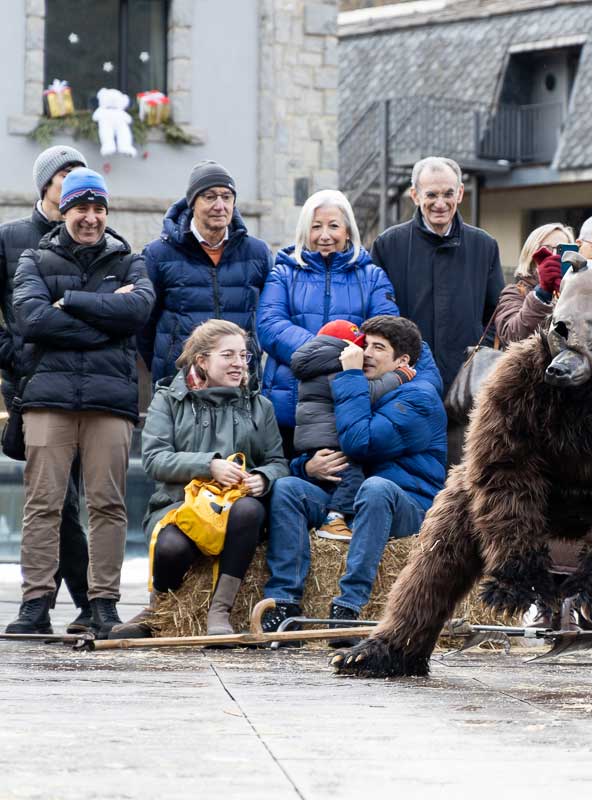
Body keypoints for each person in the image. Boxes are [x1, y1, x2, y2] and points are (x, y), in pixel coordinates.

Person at [5, 168, 154, 638]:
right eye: (80, 208)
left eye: (98, 209)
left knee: (108, 504)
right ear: (64, 210)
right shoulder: (33, 257)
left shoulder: (131, 262)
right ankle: (35, 604)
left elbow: (137, 312)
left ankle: (103, 604)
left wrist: (67, 301)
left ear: (106, 212)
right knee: (42, 503)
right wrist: (102, 311)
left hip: (109, 402)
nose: (90, 218)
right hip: (48, 400)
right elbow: (31, 320)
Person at [261, 315, 446, 640]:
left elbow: (361, 442)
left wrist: (348, 378)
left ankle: (347, 608)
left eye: (378, 347)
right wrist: (308, 467)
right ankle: (284, 603)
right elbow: (328, 439)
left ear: (402, 361)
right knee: (289, 488)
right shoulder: (366, 389)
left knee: (377, 488)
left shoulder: (419, 398)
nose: (366, 353)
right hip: (351, 502)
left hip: (407, 505)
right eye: (364, 345)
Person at [112, 321, 289, 638]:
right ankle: (160, 611)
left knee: (251, 510)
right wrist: (211, 466)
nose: (238, 363)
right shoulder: (168, 400)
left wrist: (264, 478)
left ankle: (220, 611)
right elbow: (155, 460)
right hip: (180, 506)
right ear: (202, 360)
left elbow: (277, 462)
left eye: (244, 355)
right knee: (169, 550)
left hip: (234, 511)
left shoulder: (260, 406)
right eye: (228, 355)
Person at [0, 144, 92, 633]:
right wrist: (13, 354)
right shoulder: (11, 237)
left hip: (83, 385)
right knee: (51, 498)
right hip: (31, 385)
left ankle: (69, 602)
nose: (75, 183)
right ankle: (76, 602)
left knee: (70, 499)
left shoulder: (93, 237)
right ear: (47, 185)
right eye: (66, 176)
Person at [257, 189, 398, 457]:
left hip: (351, 400)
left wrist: (331, 355)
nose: (325, 235)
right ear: (304, 231)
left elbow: (386, 328)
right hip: (289, 405)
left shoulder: (372, 276)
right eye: (316, 226)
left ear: (348, 230)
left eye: (333, 225)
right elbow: (269, 325)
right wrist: (326, 352)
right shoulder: (283, 273)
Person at [369, 156, 504, 392]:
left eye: (448, 194)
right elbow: (377, 316)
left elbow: (496, 314)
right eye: (431, 195)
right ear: (415, 195)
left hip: (465, 383)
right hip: (405, 382)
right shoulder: (388, 245)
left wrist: (477, 358)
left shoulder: (484, 246)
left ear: (460, 194)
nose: (440, 203)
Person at [139, 160, 272, 385]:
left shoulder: (257, 252)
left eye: (227, 197)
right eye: (210, 197)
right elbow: (144, 323)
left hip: (240, 381)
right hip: (179, 383)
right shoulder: (158, 254)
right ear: (192, 203)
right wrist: (169, 363)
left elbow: (268, 316)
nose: (220, 205)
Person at [290, 319, 410, 540]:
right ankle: (333, 520)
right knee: (352, 476)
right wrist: (399, 377)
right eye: (360, 346)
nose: (364, 354)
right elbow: (365, 391)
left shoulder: (315, 365)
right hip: (331, 437)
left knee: (334, 478)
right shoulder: (336, 366)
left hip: (315, 438)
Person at [493, 223, 573, 347]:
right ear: (532, 252)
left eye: (562, 249)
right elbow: (512, 337)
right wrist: (542, 294)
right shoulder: (516, 292)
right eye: (549, 248)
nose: (555, 255)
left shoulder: (575, 293)